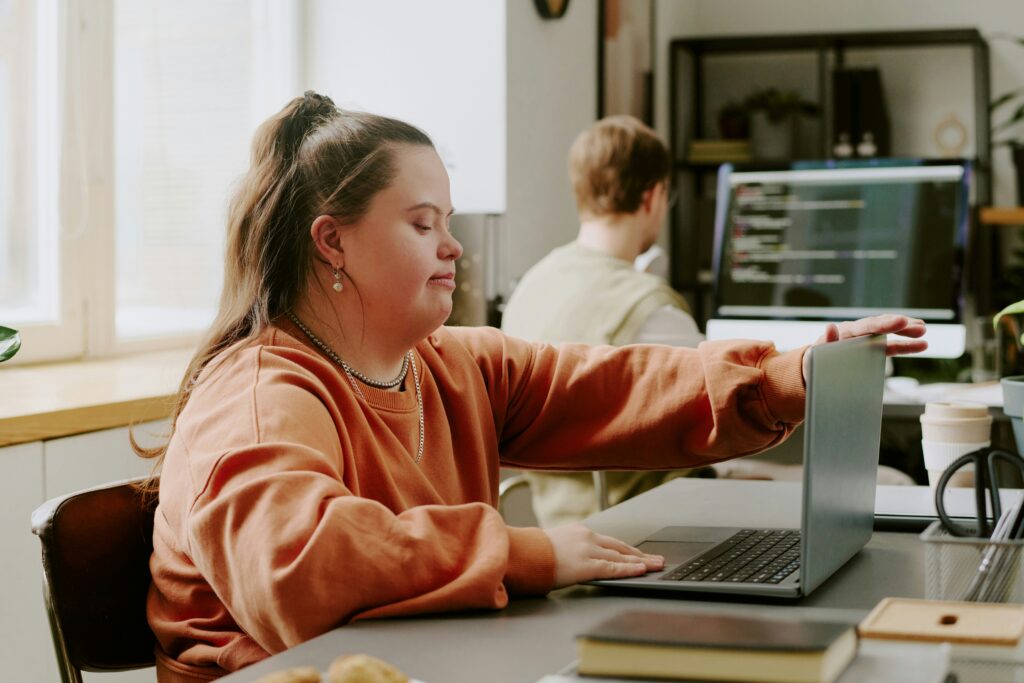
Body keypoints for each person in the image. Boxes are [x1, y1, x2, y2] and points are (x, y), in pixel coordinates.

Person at [137, 92, 927, 681]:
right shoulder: (254, 394)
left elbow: (612, 384)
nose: (452, 247)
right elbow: (300, 568)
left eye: (447, 220)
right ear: (332, 240)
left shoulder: (448, 362)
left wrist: (790, 374)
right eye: (421, 224)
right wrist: (525, 553)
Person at [502, 115, 787, 527]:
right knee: (887, 479)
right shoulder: (651, 309)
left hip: (557, 518)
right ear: (653, 196)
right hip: (652, 516)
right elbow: (721, 425)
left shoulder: (530, 285)